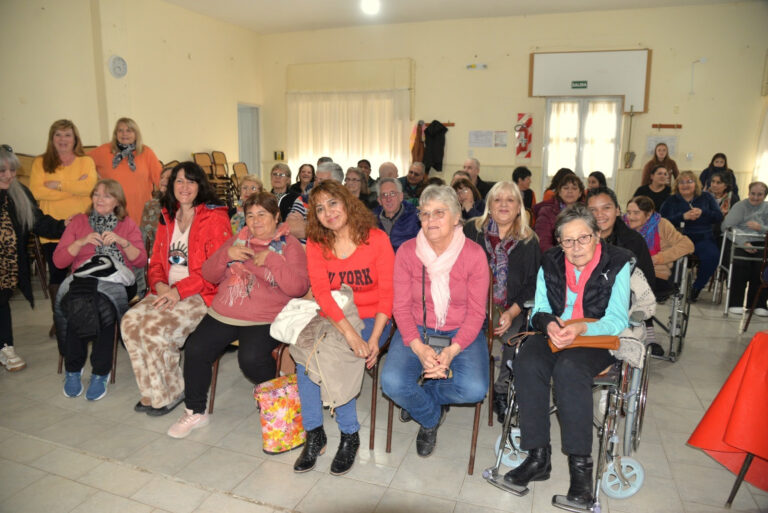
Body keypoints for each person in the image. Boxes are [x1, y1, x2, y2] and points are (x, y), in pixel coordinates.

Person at [505, 204, 632, 507]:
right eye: (567, 241)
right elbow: (538, 310)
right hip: (555, 333)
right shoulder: (549, 261)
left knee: (569, 370)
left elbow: (617, 319)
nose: (575, 248)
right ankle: (538, 458)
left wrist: (577, 330)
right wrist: (549, 324)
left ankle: (581, 473)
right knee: (528, 361)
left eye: (583, 239)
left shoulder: (618, 262)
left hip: (594, 336)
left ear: (597, 236)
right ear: (558, 242)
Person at [167, 192, 309, 438]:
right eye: (250, 215)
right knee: (195, 349)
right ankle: (195, 411)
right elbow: (210, 275)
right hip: (225, 311)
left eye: (262, 214)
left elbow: (298, 287)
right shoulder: (238, 240)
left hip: (265, 316)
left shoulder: (289, 245)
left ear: (276, 216)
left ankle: (276, 397)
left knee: (251, 359)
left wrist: (273, 261)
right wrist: (226, 255)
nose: (255, 221)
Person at [294, 180, 394, 475]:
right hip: (333, 316)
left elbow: (388, 295)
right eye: (320, 208)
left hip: (374, 319)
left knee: (335, 357)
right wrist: (349, 334)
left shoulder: (376, 239)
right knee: (304, 357)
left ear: (347, 203)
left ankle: (349, 434)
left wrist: (373, 339)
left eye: (333, 203)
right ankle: (315, 433)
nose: (328, 213)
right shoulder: (317, 242)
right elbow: (322, 294)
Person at [381, 185, 490, 456]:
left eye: (439, 212)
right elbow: (401, 307)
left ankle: (424, 396)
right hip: (417, 328)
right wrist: (418, 347)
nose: (431, 220)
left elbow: (477, 313)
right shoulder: (407, 252)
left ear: (456, 218)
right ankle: (430, 418)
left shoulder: (474, 254)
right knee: (392, 383)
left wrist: (452, 351)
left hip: (461, 330)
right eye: (425, 213)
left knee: (474, 389)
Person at [121, 162, 231, 416]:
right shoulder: (166, 215)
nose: (184, 187)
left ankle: (171, 392)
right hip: (166, 289)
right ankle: (150, 391)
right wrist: (159, 284)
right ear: (171, 186)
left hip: (201, 295)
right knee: (130, 321)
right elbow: (156, 261)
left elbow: (214, 269)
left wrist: (178, 292)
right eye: (179, 181)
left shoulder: (215, 217)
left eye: (190, 181)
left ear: (200, 185)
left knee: (153, 327)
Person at [53, 179, 147, 399]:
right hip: (83, 277)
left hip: (117, 277)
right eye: (96, 194)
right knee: (84, 299)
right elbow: (58, 261)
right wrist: (81, 242)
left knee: (94, 301)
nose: (99, 200)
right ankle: (77, 369)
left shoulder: (127, 224)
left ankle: (95, 371)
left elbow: (141, 261)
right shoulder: (78, 221)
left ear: (117, 201)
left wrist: (123, 242)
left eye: (106, 195)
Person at [463, 181, 540, 422]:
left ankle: (502, 391)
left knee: (513, 338)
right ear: (489, 205)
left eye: (510, 200)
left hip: (511, 306)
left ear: (519, 208)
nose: (503, 204)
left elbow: (534, 284)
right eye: (498, 200)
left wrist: (512, 312)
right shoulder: (471, 231)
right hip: (472, 305)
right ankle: (455, 381)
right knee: (459, 330)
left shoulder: (529, 240)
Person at [30, 120, 98, 337]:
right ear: (52, 139)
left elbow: (89, 188)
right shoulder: (40, 162)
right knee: (57, 275)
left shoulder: (86, 161)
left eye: (67, 135)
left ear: (75, 138)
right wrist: (74, 187)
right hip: (52, 229)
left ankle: (84, 316)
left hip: (82, 228)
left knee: (83, 274)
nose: (63, 139)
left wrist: (58, 184)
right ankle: (59, 318)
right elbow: (36, 192)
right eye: (58, 135)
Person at [0, 145, 64, 372]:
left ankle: (6, 347)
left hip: (7, 267)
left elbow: (39, 222)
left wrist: (65, 226)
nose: (9, 175)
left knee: (1, 301)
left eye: (12, 170)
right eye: (2, 171)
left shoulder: (19, 193)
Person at [660, 171, 723, 302]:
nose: (685, 185)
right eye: (681, 182)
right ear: (677, 185)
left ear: (696, 184)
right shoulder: (671, 200)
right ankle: (667, 288)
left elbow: (718, 216)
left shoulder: (706, 197)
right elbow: (662, 221)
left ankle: (696, 288)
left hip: (703, 237)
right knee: (667, 254)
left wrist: (703, 212)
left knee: (712, 256)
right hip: (679, 238)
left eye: (689, 182)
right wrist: (682, 217)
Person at [88, 118, 162, 225]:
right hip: (113, 213)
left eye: (129, 130)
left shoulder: (146, 153)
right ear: (115, 134)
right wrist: (92, 178)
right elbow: (83, 162)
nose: (124, 134)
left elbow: (161, 179)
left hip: (142, 213)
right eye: (120, 130)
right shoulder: (104, 151)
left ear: (136, 134)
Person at [587, 187, 655, 288]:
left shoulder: (634, 241)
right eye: (593, 210)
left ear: (617, 210)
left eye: (606, 208)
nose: (599, 214)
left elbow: (647, 281)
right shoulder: (579, 240)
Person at [625, 195, 694, 291]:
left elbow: (687, 245)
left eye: (636, 213)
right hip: (626, 272)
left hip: (656, 273)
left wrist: (659, 258)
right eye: (628, 212)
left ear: (648, 214)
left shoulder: (662, 225)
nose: (630, 217)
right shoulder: (622, 225)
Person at [721, 182, 768, 315]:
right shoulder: (739, 206)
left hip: (761, 242)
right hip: (739, 240)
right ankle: (735, 303)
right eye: (753, 193)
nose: (755, 197)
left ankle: (758, 304)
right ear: (748, 193)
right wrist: (744, 242)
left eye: (759, 195)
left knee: (762, 266)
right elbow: (726, 227)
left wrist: (761, 228)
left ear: (764, 196)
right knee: (740, 264)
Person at [535, 174, 584, 252]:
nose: (570, 191)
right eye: (565, 188)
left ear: (580, 193)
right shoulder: (546, 212)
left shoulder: (586, 212)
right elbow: (543, 242)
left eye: (574, 188)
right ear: (559, 192)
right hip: (555, 257)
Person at [372, 178, 420, 252]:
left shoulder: (416, 219)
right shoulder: (371, 221)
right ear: (379, 200)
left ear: (401, 196)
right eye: (384, 195)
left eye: (392, 193)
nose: (388, 199)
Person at [139, 166, 172, 250]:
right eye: (162, 177)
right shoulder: (151, 205)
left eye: (168, 178)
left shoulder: (184, 207)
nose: (163, 180)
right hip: (155, 255)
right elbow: (143, 236)